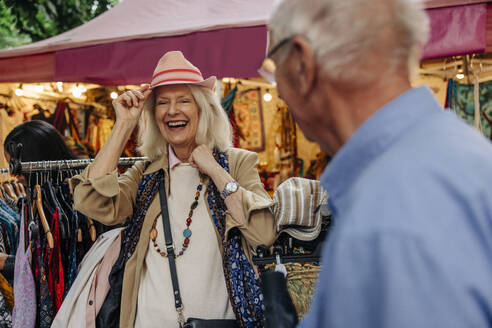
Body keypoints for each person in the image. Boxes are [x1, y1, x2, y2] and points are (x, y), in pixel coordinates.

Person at [267, 0, 492, 327]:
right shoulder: (463, 154)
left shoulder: (389, 215)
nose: (280, 92)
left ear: (302, 64)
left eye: (274, 66)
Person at [72, 51, 276, 327]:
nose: (172, 111)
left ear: (203, 109)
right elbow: (91, 202)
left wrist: (216, 170)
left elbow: (263, 234)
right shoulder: (146, 173)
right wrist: (123, 126)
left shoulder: (237, 163)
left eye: (184, 101)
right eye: (163, 103)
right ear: (154, 115)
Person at [0, 120, 76, 281]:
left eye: (18, 169)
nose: (14, 176)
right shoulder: (33, 200)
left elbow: (53, 269)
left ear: (37, 160)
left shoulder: (62, 204)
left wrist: (5, 262)